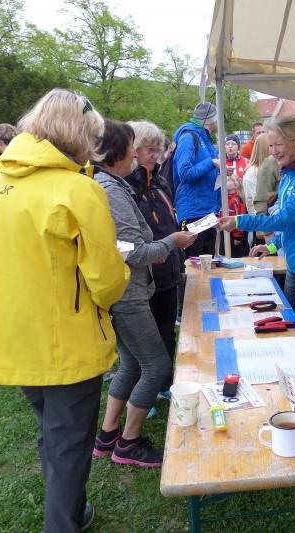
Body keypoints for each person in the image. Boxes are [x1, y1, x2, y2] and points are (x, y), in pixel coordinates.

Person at [0, 89, 129, 531]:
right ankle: (63, 521)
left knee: (55, 432)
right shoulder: (78, 189)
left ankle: (72, 509)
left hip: (16, 334)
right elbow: (106, 280)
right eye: (93, 135)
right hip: (66, 342)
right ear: (79, 134)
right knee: (68, 443)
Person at [93, 120, 196, 468]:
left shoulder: (113, 185)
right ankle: (129, 443)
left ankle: (108, 434)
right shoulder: (110, 189)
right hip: (128, 294)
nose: (138, 157)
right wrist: (171, 243)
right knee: (156, 366)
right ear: (117, 152)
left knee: (133, 364)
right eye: (133, 149)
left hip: (127, 290)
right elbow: (134, 251)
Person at [217, 116, 295, 349]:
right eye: (270, 145)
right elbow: (292, 224)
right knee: (291, 325)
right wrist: (271, 246)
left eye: (278, 144)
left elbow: (285, 218)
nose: (273, 151)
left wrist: (240, 220)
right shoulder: (289, 175)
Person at [126, 120, 183, 394]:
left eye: (158, 149)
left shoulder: (160, 181)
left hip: (168, 270)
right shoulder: (125, 186)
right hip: (142, 276)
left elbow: (169, 224)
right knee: (144, 343)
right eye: (149, 149)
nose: (155, 155)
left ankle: (165, 385)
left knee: (167, 328)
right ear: (133, 150)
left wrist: (178, 261)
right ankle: (142, 389)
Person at [172, 102, 221, 257]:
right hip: (193, 213)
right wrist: (212, 163)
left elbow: (207, 171)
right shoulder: (188, 137)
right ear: (213, 119)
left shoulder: (206, 140)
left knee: (207, 263)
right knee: (191, 263)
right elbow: (185, 173)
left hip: (208, 212)